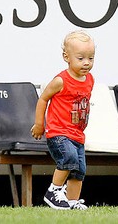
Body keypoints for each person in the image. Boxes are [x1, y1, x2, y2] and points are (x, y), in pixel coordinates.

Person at [31, 30, 96, 210]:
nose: (86, 63)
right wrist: (39, 124)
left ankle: (72, 201)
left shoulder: (89, 79)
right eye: (81, 58)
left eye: (91, 58)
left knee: (79, 170)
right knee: (68, 158)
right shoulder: (61, 80)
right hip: (59, 132)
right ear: (66, 57)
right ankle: (54, 190)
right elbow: (43, 99)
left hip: (77, 134)